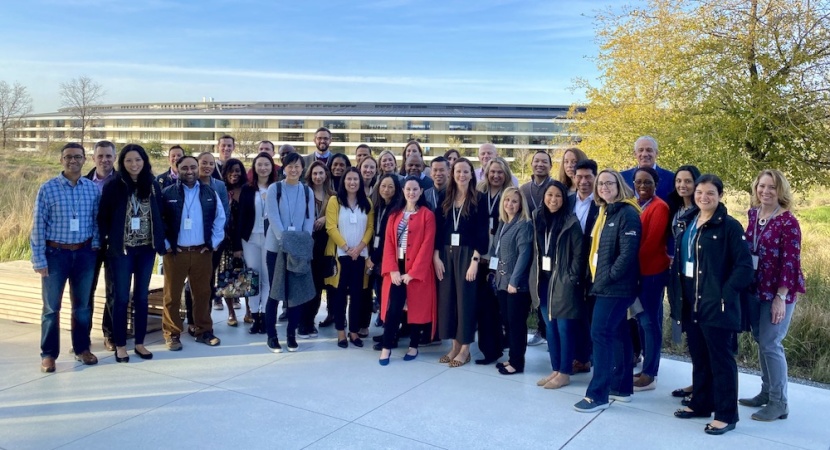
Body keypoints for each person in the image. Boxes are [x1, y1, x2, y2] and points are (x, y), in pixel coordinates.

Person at [669, 174, 753, 435]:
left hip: (717, 305)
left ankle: (727, 415)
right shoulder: (688, 222)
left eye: (710, 194)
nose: (704, 198)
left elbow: (744, 268)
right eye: (700, 193)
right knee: (700, 356)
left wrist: (724, 295)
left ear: (720, 196)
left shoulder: (729, 226)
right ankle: (701, 403)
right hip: (691, 302)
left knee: (721, 360)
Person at [740, 169, 805, 421]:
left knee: (771, 343)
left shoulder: (788, 221)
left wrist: (781, 297)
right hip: (756, 289)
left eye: (772, 187)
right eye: (762, 186)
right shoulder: (754, 215)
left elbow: (791, 262)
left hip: (778, 292)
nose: (765, 191)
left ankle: (780, 402)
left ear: (781, 191)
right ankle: (766, 392)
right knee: (761, 340)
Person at [574, 169, 641, 413]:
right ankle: (621, 388)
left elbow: (627, 254)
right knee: (619, 333)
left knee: (599, 334)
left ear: (619, 185)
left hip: (615, 288)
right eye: (600, 183)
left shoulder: (627, 213)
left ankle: (597, 394)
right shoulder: (605, 211)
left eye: (609, 183)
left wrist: (607, 278)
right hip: (602, 284)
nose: (603, 187)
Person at [31, 143, 101, 372]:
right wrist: (39, 259)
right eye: (68, 157)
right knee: (51, 308)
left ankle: (82, 349)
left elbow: (97, 221)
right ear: (61, 160)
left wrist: (96, 246)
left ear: (84, 160)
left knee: (82, 307)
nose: (73, 161)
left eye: (78, 157)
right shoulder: (48, 188)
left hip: (84, 253)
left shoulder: (92, 189)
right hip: (55, 254)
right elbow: (38, 226)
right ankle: (49, 354)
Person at [98, 144, 166, 363]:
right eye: (129, 160)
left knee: (142, 296)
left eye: (138, 160)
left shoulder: (153, 185)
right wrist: (109, 240)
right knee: (120, 297)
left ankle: (139, 343)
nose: (134, 164)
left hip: (146, 250)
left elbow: (160, 214)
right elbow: (103, 217)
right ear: (122, 162)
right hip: (122, 251)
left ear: (144, 161)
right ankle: (120, 344)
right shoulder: (114, 185)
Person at [160, 155, 226, 350]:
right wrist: (166, 244)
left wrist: (213, 243)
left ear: (198, 169)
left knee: (203, 294)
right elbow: (160, 220)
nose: (189, 171)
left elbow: (220, 219)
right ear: (177, 168)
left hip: (201, 252)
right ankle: (172, 334)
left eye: (193, 167)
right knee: (171, 296)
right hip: (175, 253)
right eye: (184, 168)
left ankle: (203, 330)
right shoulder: (166, 193)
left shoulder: (209, 193)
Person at [434, 157, 489, 367]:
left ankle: (465, 348)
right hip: (446, 254)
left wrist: (475, 261)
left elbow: (482, 232)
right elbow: (438, 230)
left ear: (471, 174)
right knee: (449, 301)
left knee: (465, 300)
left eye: (466, 171)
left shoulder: (479, 199)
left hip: (468, 254)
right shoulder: (445, 198)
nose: (462, 175)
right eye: (458, 171)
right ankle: (455, 345)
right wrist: (436, 256)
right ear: (452, 173)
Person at [378, 176, 437, 365]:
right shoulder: (394, 215)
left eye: (415, 189)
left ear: (421, 191)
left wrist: (413, 273)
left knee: (416, 309)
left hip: (417, 270)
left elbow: (427, 245)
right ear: (403, 191)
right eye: (408, 189)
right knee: (393, 309)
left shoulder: (427, 214)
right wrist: (392, 270)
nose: (411, 193)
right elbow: (388, 243)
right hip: (397, 267)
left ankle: (413, 346)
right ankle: (386, 348)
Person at [533, 181, 585, 388]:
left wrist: (571, 278)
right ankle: (555, 369)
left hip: (563, 282)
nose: (553, 200)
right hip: (544, 282)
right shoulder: (538, 219)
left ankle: (565, 371)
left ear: (564, 200)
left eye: (558, 196)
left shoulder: (571, 222)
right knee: (550, 328)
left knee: (564, 329)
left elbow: (579, 256)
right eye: (549, 195)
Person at [263, 152, 316, 352]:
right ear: (283, 168)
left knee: (296, 294)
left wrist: (302, 243)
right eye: (290, 166)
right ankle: (272, 336)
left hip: (298, 250)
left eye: (297, 166)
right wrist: (286, 242)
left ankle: (291, 335)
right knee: (275, 292)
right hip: (276, 249)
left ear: (302, 169)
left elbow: (309, 219)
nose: (293, 170)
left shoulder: (306, 191)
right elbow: (274, 219)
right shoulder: (274, 188)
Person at [324, 167, 375, 348]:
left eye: (356, 179)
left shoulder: (367, 202)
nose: (352, 182)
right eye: (349, 179)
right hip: (340, 255)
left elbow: (370, 228)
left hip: (360, 256)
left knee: (357, 295)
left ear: (360, 182)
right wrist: (347, 248)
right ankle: (340, 332)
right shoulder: (334, 201)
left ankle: (353, 332)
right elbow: (331, 227)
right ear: (343, 182)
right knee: (339, 295)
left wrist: (359, 248)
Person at [632, 166, 670, 391]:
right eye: (639, 182)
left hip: (651, 272)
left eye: (648, 182)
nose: (643, 186)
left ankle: (650, 373)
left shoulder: (660, 207)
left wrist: (629, 265)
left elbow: (651, 243)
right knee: (641, 320)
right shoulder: (635, 204)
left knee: (649, 322)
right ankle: (646, 368)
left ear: (656, 184)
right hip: (638, 272)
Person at [474, 157, 515, 365]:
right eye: (492, 172)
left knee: (497, 306)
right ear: (486, 173)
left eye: (500, 172)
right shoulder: (479, 195)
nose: (496, 176)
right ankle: (489, 349)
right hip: (480, 257)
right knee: (483, 306)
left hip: (500, 259)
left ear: (506, 174)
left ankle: (497, 348)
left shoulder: (509, 196)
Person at [666, 165, 702, 399]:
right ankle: (696, 382)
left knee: (699, 335)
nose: (682, 185)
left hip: (697, 281)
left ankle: (702, 385)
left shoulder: (701, 211)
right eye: (679, 181)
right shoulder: (677, 208)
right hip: (679, 278)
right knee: (690, 332)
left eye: (688, 181)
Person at [490, 187, 534, 374]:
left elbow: (524, 255)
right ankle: (511, 359)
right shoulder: (504, 222)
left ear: (521, 204)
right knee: (508, 322)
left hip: (516, 285)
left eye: (514, 201)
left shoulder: (523, 224)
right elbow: (497, 250)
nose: (510, 204)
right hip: (501, 281)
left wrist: (514, 281)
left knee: (516, 325)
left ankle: (517, 363)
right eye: (507, 200)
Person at [235, 153, 277, 334]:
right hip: (250, 239)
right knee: (252, 279)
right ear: (254, 167)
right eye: (259, 164)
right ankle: (255, 316)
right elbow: (240, 217)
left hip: (270, 239)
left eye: (267, 164)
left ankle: (266, 317)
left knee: (268, 279)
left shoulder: (277, 188)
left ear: (272, 167)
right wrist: (237, 244)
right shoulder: (247, 189)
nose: (263, 168)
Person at [84, 140, 117, 352]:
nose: (104, 160)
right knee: (86, 291)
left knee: (114, 291)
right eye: (100, 156)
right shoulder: (84, 182)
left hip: (115, 245)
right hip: (89, 245)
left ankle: (110, 335)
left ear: (115, 157)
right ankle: (83, 335)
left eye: (108, 156)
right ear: (94, 158)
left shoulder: (123, 182)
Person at [520, 150, 553, 348]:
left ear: (550, 166)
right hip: (529, 243)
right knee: (533, 286)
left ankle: (549, 332)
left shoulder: (556, 187)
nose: (540, 164)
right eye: (537, 161)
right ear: (531, 164)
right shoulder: (524, 189)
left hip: (549, 244)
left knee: (548, 287)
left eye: (544, 161)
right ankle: (540, 330)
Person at [369, 173, 403, 334]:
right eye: (383, 186)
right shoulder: (377, 205)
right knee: (380, 294)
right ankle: (386, 328)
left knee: (389, 297)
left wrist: (374, 258)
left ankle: (391, 332)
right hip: (375, 256)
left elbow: (387, 238)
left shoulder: (397, 209)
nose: (386, 190)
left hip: (387, 259)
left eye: (390, 186)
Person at [197, 152, 231, 314]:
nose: (208, 166)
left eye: (211, 164)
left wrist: (216, 239)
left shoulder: (219, 185)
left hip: (214, 241)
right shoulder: (190, 183)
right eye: (204, 163)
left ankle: (206, 317)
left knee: (209, 279)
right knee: (194, 281)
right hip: (193, 241)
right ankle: (192, 317)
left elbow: (224, 212)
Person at [305, 161, 335, 335]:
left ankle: (322, 316)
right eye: (315, 173)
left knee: (322, 284)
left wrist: (325, 218)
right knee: (310, 285)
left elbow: (338, 219)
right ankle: (307, 320)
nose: (318, 177)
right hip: (308, 244)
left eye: (321, 173)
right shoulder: (303, 193)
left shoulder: (333, 196)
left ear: (326, 175)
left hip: (325, 246)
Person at [221, 158, 248, 319]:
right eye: (231, 170)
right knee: (228, 277)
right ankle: (231, 313)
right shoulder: (222, 190)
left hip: (246, 239)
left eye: (237, 170)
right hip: (227, 242)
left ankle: (249, 311)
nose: (234, 174)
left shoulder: (248, 189)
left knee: (246, 276)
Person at [620, 136, 675, 202]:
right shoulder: (622, 178)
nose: (644, 154)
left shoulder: (671, 178)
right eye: (641, 150)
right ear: (635, 154)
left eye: (649, 150)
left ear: (656, 153)